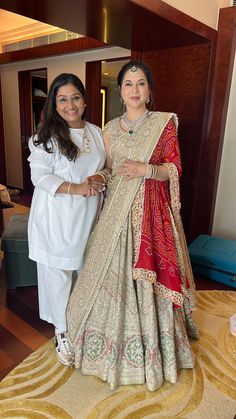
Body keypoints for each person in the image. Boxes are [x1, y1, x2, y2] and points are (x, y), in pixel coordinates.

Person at [66, 61, 199, 391]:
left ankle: (157, 348)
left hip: (151, 216)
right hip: (115, 215)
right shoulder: (108, 129)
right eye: (128, 83)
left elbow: (174, 169)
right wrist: (100, 176)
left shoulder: (164, 124)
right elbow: (111, 171)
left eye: (141, 84)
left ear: (149, 90)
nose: (135, 90)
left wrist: (147, 170)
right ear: (120, 90)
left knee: (149, 275)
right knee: (104, 275)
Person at [27, 73, 106, 366]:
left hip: (88, 216)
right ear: (54, 104)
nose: (70, 105)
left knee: (84, 272)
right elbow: (39, 177)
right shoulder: (44, 138)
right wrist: (76, 188)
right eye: (62, 99)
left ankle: (82, 321)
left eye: (75, 98)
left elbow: (107, 167)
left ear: (85, 101)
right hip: (56, 217)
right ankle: (62, 333)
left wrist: (100, 176)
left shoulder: (97, 133)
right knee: (58, 276)